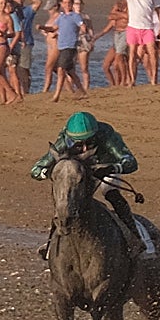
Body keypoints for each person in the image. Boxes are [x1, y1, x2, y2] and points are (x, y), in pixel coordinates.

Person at [30, 111, 141, 259]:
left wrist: (112, 168)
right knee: (65, 200)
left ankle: (134, 237)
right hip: (78, 171)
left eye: (89, 143)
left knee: (111, 193)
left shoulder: (107, 134)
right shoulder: (63, 140)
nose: (84, 149)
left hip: (104, 167)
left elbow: (131, 162)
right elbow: (36, 170)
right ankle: (51, 245)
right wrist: (52, 172)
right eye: (78, 144)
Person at [118, 0, 160, 85]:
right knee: (132, 53)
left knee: (152, 52)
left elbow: (159, 10)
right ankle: (132, 80)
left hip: (147, 27)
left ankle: (154, 79)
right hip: (133, 27)